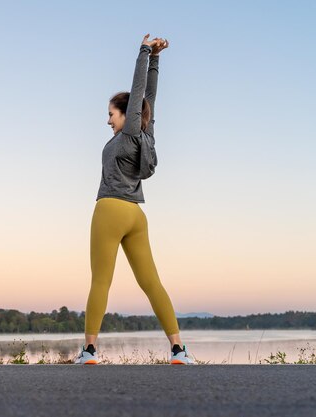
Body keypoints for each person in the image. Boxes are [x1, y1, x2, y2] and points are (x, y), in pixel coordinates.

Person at [74, 34, 195, 365]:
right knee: (152, 282)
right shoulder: (146, 136)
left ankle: (89, 351)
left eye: (110, 113)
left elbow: (139, 91)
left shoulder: (125, 135)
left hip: (110, 209)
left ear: (124, 114)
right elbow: (149, 100)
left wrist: (143, 51)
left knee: (101, 281)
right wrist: (157, 59)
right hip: (136, 215)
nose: (108, 119)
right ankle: (178, 350)